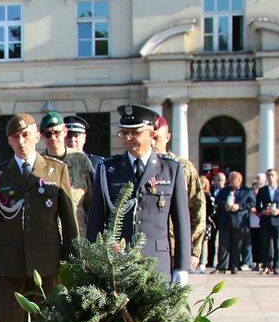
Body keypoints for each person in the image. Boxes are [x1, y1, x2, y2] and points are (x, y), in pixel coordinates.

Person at [0, 113, 78, 322]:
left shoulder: (56, 170)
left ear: (36, 136)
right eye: (15, 137)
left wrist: (72, 262)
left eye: (26, 135)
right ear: (8, 141)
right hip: (8, 265)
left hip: (47, 265)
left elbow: (69, 223)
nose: (21, 141)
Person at [87, 105, 190, 283]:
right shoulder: (108, 169)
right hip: (118, 265)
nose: (128, 138)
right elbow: (96, 219)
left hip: (157, 264)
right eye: (124, 133)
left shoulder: (170, 169)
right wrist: (92, 262)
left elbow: (181, 222)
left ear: (151, 134)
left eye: (134, 132)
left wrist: (182, 267)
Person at [153, 116, 204, 271]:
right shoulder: (139, 167)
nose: (153, 143)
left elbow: (198, 208)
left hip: (176, 249)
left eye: (157, 138)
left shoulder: (184, 167)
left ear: (167, 137)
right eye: (151, 138)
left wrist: (194, 251)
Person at [38, 110, 94, 237]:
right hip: (48, 237)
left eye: (57, 133)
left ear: (64, 132)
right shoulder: (38, 163)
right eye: (48, 134)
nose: (53, 137)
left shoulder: (80, 160)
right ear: (41, 136)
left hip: (78, 235)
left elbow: (92, 200)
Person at [214, 171, 252, 274]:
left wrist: (239, 206)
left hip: (239, 222)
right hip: (225, 220)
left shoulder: (247, 191)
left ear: (239, 180)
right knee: (223, 245)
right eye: (229, 179)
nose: (229, 181)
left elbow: (252, 202)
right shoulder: (224, 191)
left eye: (232, 179)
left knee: (237, 245)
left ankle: (234, 266)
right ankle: (222, 266)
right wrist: (224, 205)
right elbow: (217, 201)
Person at [254, 169, 279, 276]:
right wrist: (262, 211)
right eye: (268, 175)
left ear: (277, 176)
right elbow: (257, 205)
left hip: (277, 220)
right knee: (265, 244)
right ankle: (266, 265)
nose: (270, 177)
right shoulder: (263, 190)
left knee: (277, 245)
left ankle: (276, 266)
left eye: (272, 175)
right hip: (265, 220)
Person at [199, 175, 215, 273]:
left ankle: (202, 263)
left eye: (203, 182)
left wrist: (207, 218)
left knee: (204, 243)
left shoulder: (208, 195)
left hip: (205, 222)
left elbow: (212, 210)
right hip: (195, 222)